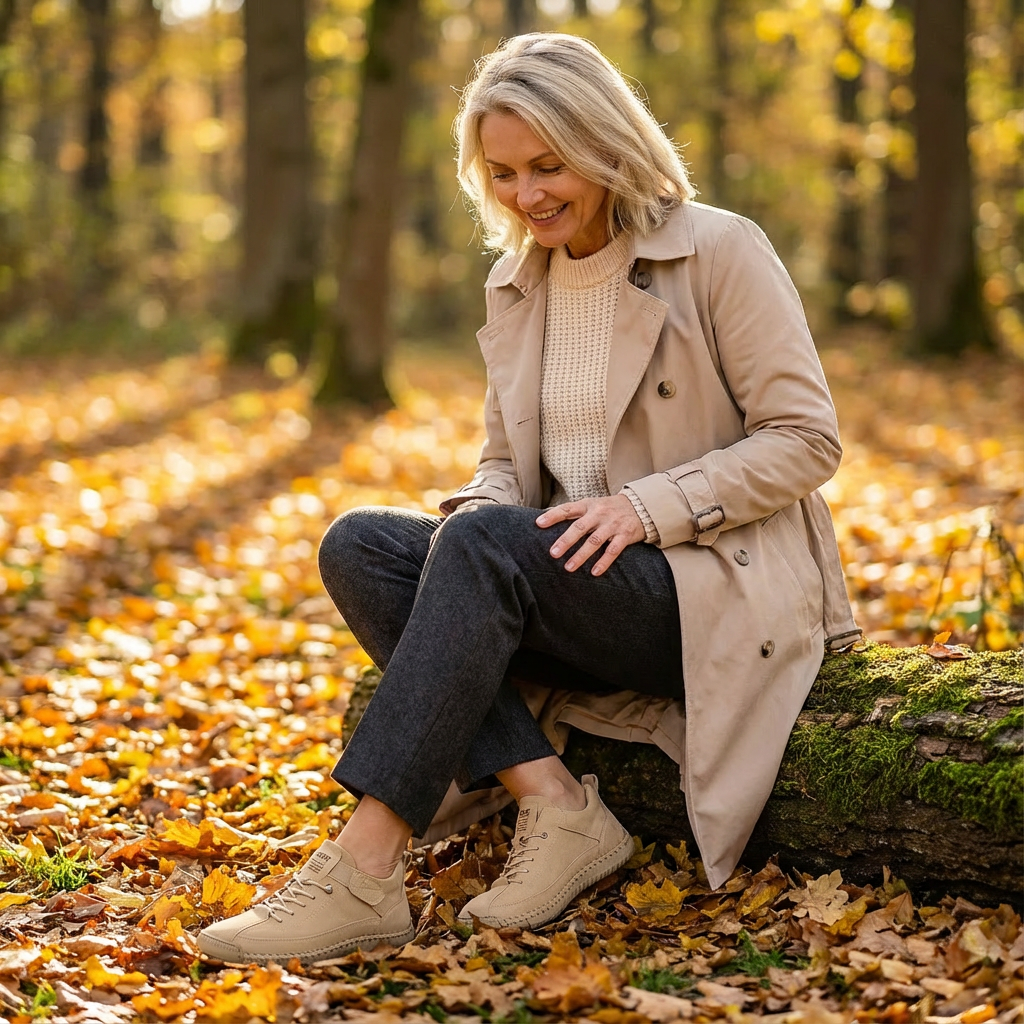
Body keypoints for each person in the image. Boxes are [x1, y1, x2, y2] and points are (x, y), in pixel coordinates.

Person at [197, 32, 859, 967]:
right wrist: (481, 507)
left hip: (704, 582)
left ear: (606, 144)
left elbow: (806, 438)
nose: (527, 195)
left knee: (482, 548)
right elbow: (506, 463)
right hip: (571, 578)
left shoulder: (717, 248)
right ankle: (554, 802)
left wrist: (648, 507)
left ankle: (365, 868)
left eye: (549, 166)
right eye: (503, 173)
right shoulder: (518, 281)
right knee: (362, 543)